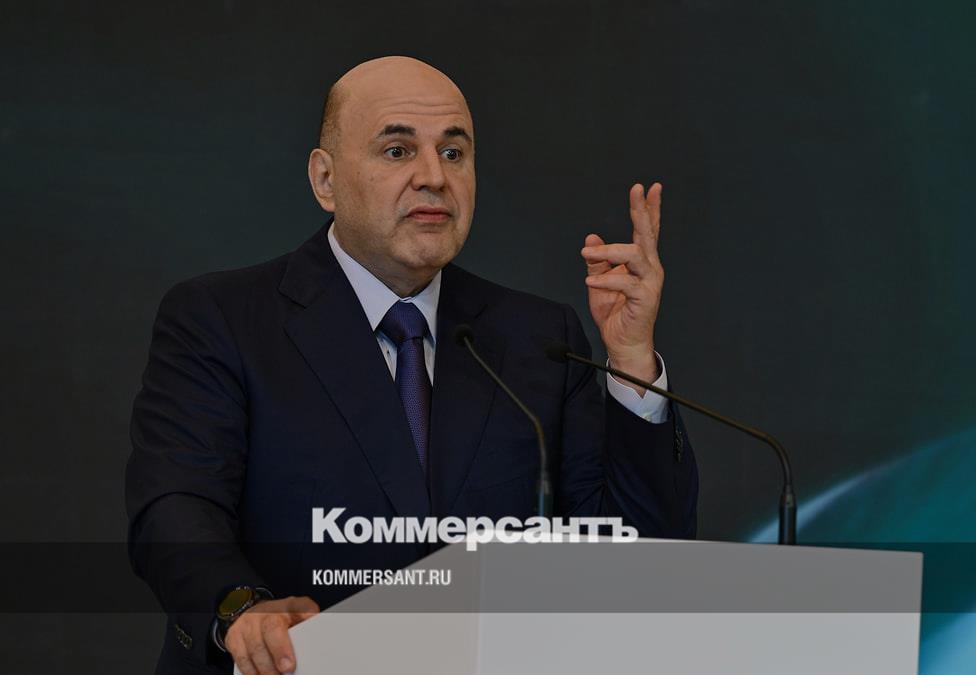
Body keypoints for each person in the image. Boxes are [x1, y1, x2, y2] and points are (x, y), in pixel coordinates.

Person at [126, 56, 698, 675]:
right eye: (397, 151)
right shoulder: (222, 318)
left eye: (454, 153)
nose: (433, 177)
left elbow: (630, 562)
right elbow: (176, 508)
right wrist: (241, 607)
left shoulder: (537, 336)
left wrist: (631, 361)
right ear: (325, 179)